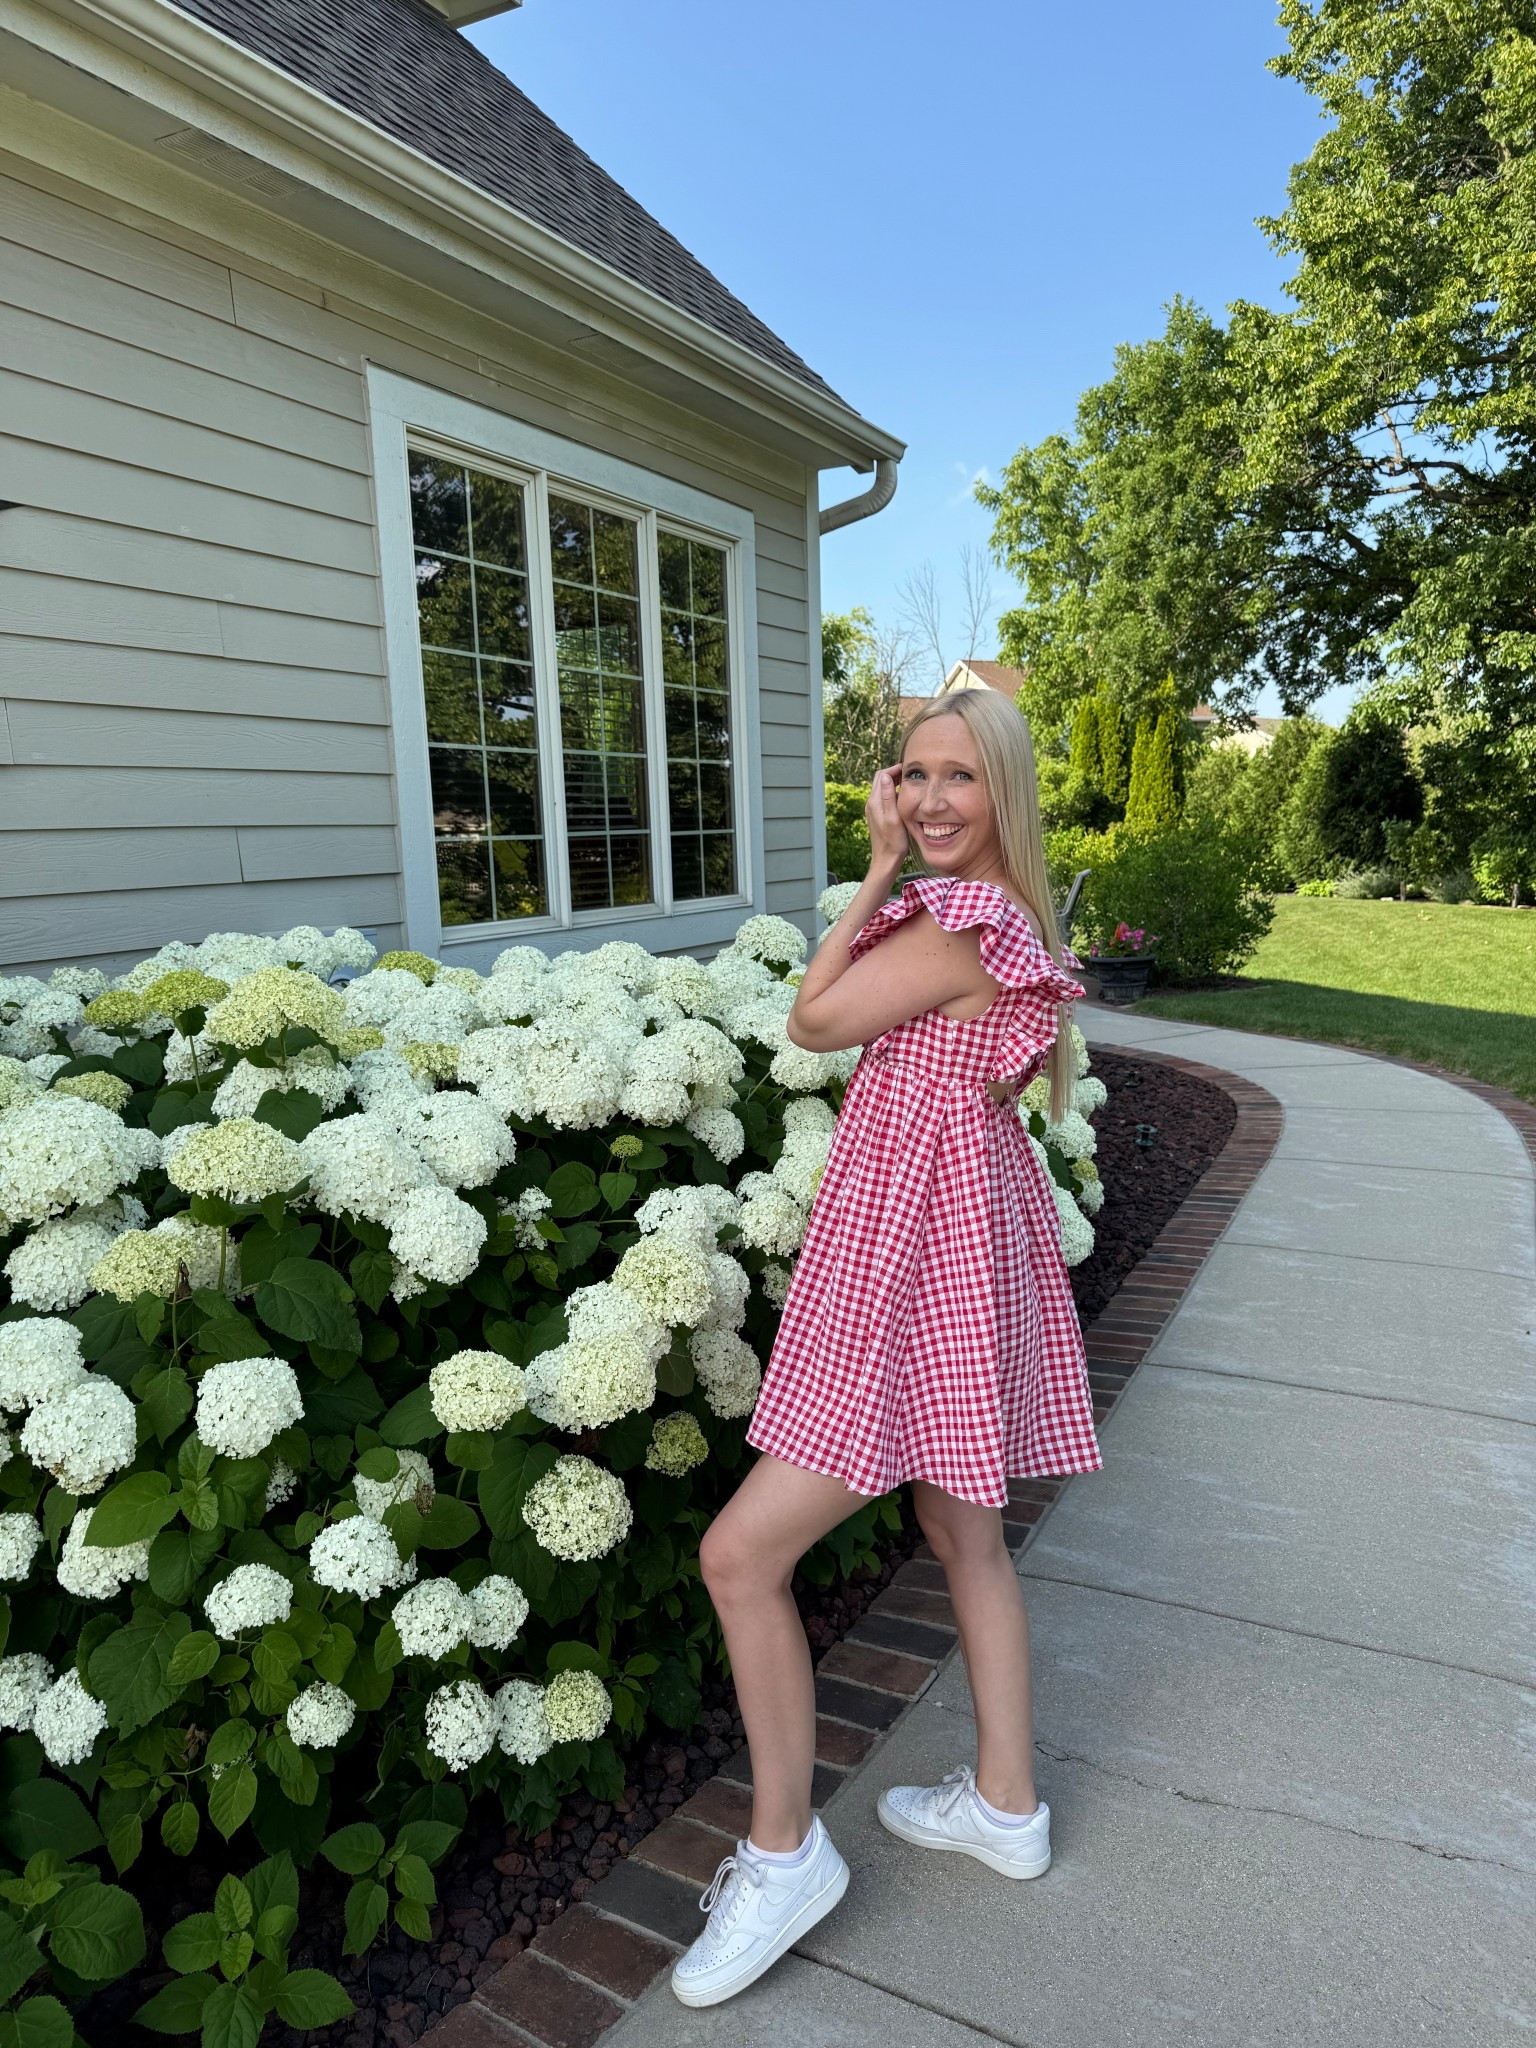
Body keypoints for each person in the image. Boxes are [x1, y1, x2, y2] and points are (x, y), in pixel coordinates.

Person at [670, 689, 1104, 2009]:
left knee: (739, 1555)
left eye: (958, 778)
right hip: (956, 1237)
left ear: (1004, 795)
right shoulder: (987, 917)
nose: (925, 802)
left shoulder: (966, 919)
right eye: (909, 775)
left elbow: (813, 1022)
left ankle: (786, 1853)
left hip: (915, 1261)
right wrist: (882, 872)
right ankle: (1007, 1804)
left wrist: (865, 877)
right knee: (962, 1533)